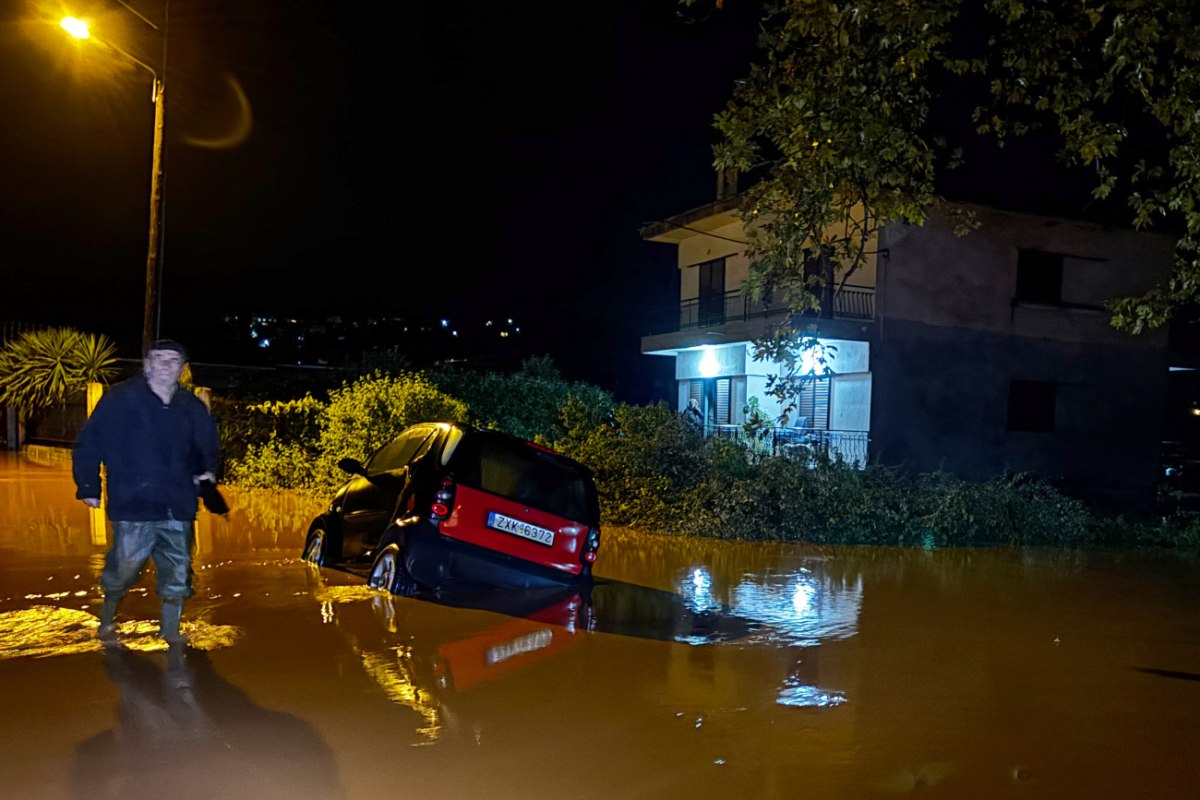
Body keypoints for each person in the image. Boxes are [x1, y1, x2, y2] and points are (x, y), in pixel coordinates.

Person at [73, 340, 220, 645]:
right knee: (123, 570)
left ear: (182, 368)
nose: (167, 365)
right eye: (160, 359)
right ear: (146, 365)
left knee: (178, 570)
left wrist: (208, 474)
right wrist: (88, 485)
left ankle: (170, 631)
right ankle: (107, 620)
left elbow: (207, 446)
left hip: (178, 504)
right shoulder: (121, 399)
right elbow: (90, 442)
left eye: (174, 360)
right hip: (133, 503)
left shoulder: (191, 406)